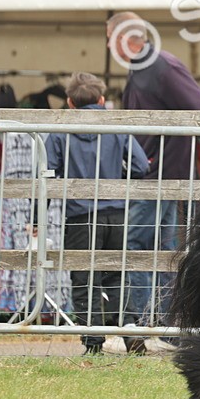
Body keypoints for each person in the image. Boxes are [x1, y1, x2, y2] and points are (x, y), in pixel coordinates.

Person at [105, 12, 200, 351]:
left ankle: (143, 326)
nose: (108, 45)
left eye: (109, 37)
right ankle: (159, 328)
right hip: (153, 175)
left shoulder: (162, 66)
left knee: (139, 247)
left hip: (160, 178)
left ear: (121, 36)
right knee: (161, 251)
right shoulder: (143, 68)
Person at [43, 72, 149, 355]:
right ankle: (130, 331)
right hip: (115, 214)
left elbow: (47, 176)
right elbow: (140, 166)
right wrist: (119, 178)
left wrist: (37, 218)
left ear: (69, 103)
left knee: (84, 279)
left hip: (79, 217)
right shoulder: (116, 126)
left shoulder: (59, 131)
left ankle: (93, 343)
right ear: (102, 100)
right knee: (117, 276)